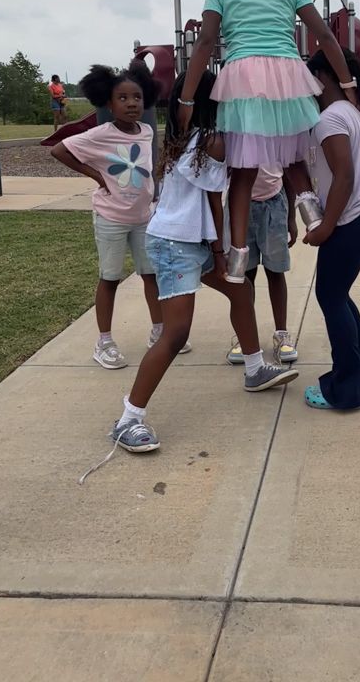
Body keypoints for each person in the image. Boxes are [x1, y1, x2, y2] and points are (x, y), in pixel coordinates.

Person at [109, 71, 299, 454]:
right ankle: (129, 418)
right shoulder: (209, 141)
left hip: (191, 239)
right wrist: (220, 251)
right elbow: (215, 201)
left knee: (241, 292)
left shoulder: (189, 138)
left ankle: (254, 368)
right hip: (177, 243)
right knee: (176, 332)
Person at [177, 0, 357, 284]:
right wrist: (348, 83)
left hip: (243, 76)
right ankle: (314, 219)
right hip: (288, 75)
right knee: (292, 159)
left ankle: (238, 258)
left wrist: (187, 98)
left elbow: (207, 42)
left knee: (242, 174)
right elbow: (324, 36)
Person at [51, 62, 176, 368]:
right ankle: (104, 342)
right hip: (111, 218)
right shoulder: (99, 134)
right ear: (109, 102)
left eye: (137, 97)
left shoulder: (146, 131)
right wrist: (96, 176)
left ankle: (159, 331)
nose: (132, 103)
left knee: (151, 275)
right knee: (110, 278)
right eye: (123, 98)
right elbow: (59, 150)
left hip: (143, 217)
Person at [301, 48, 360, 410]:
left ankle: (346, 388)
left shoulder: (329, 119)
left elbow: (344, 176)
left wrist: (326, 227)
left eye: (309, 77)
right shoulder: (350, 111)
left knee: (331, 298)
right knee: (340, 297)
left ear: (322, 77)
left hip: (351, 219)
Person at [226, 166, 299, 366]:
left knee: (275, 272)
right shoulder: (236, 136)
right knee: (244, 276)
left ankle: (281, 333)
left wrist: (291, 217)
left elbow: (289, 173)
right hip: (241, 208)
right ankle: (246, 336)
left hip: (274, 205)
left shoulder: (276, 136)